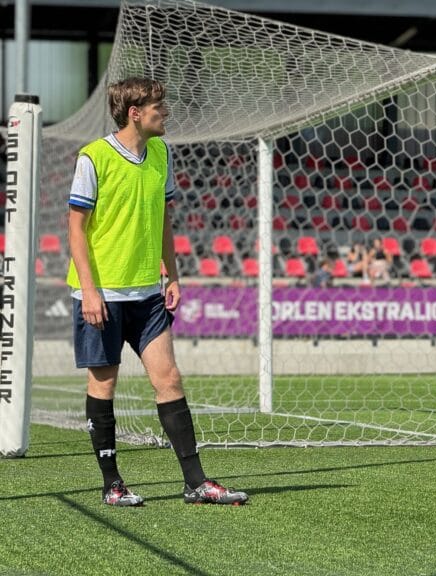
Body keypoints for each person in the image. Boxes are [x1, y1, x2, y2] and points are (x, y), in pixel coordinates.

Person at [67, 77, 247, 507]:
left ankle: (196, 483)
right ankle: (112, 485)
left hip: (148, 293)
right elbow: (75, 228)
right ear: (135, 113)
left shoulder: (162, 153)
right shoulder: (93, 158)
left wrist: (174, 274)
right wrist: (89, 291)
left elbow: (164, 220)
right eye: (158, 108)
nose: (164, 114)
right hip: (103, 295)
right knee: (104, 385)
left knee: (169, 378)